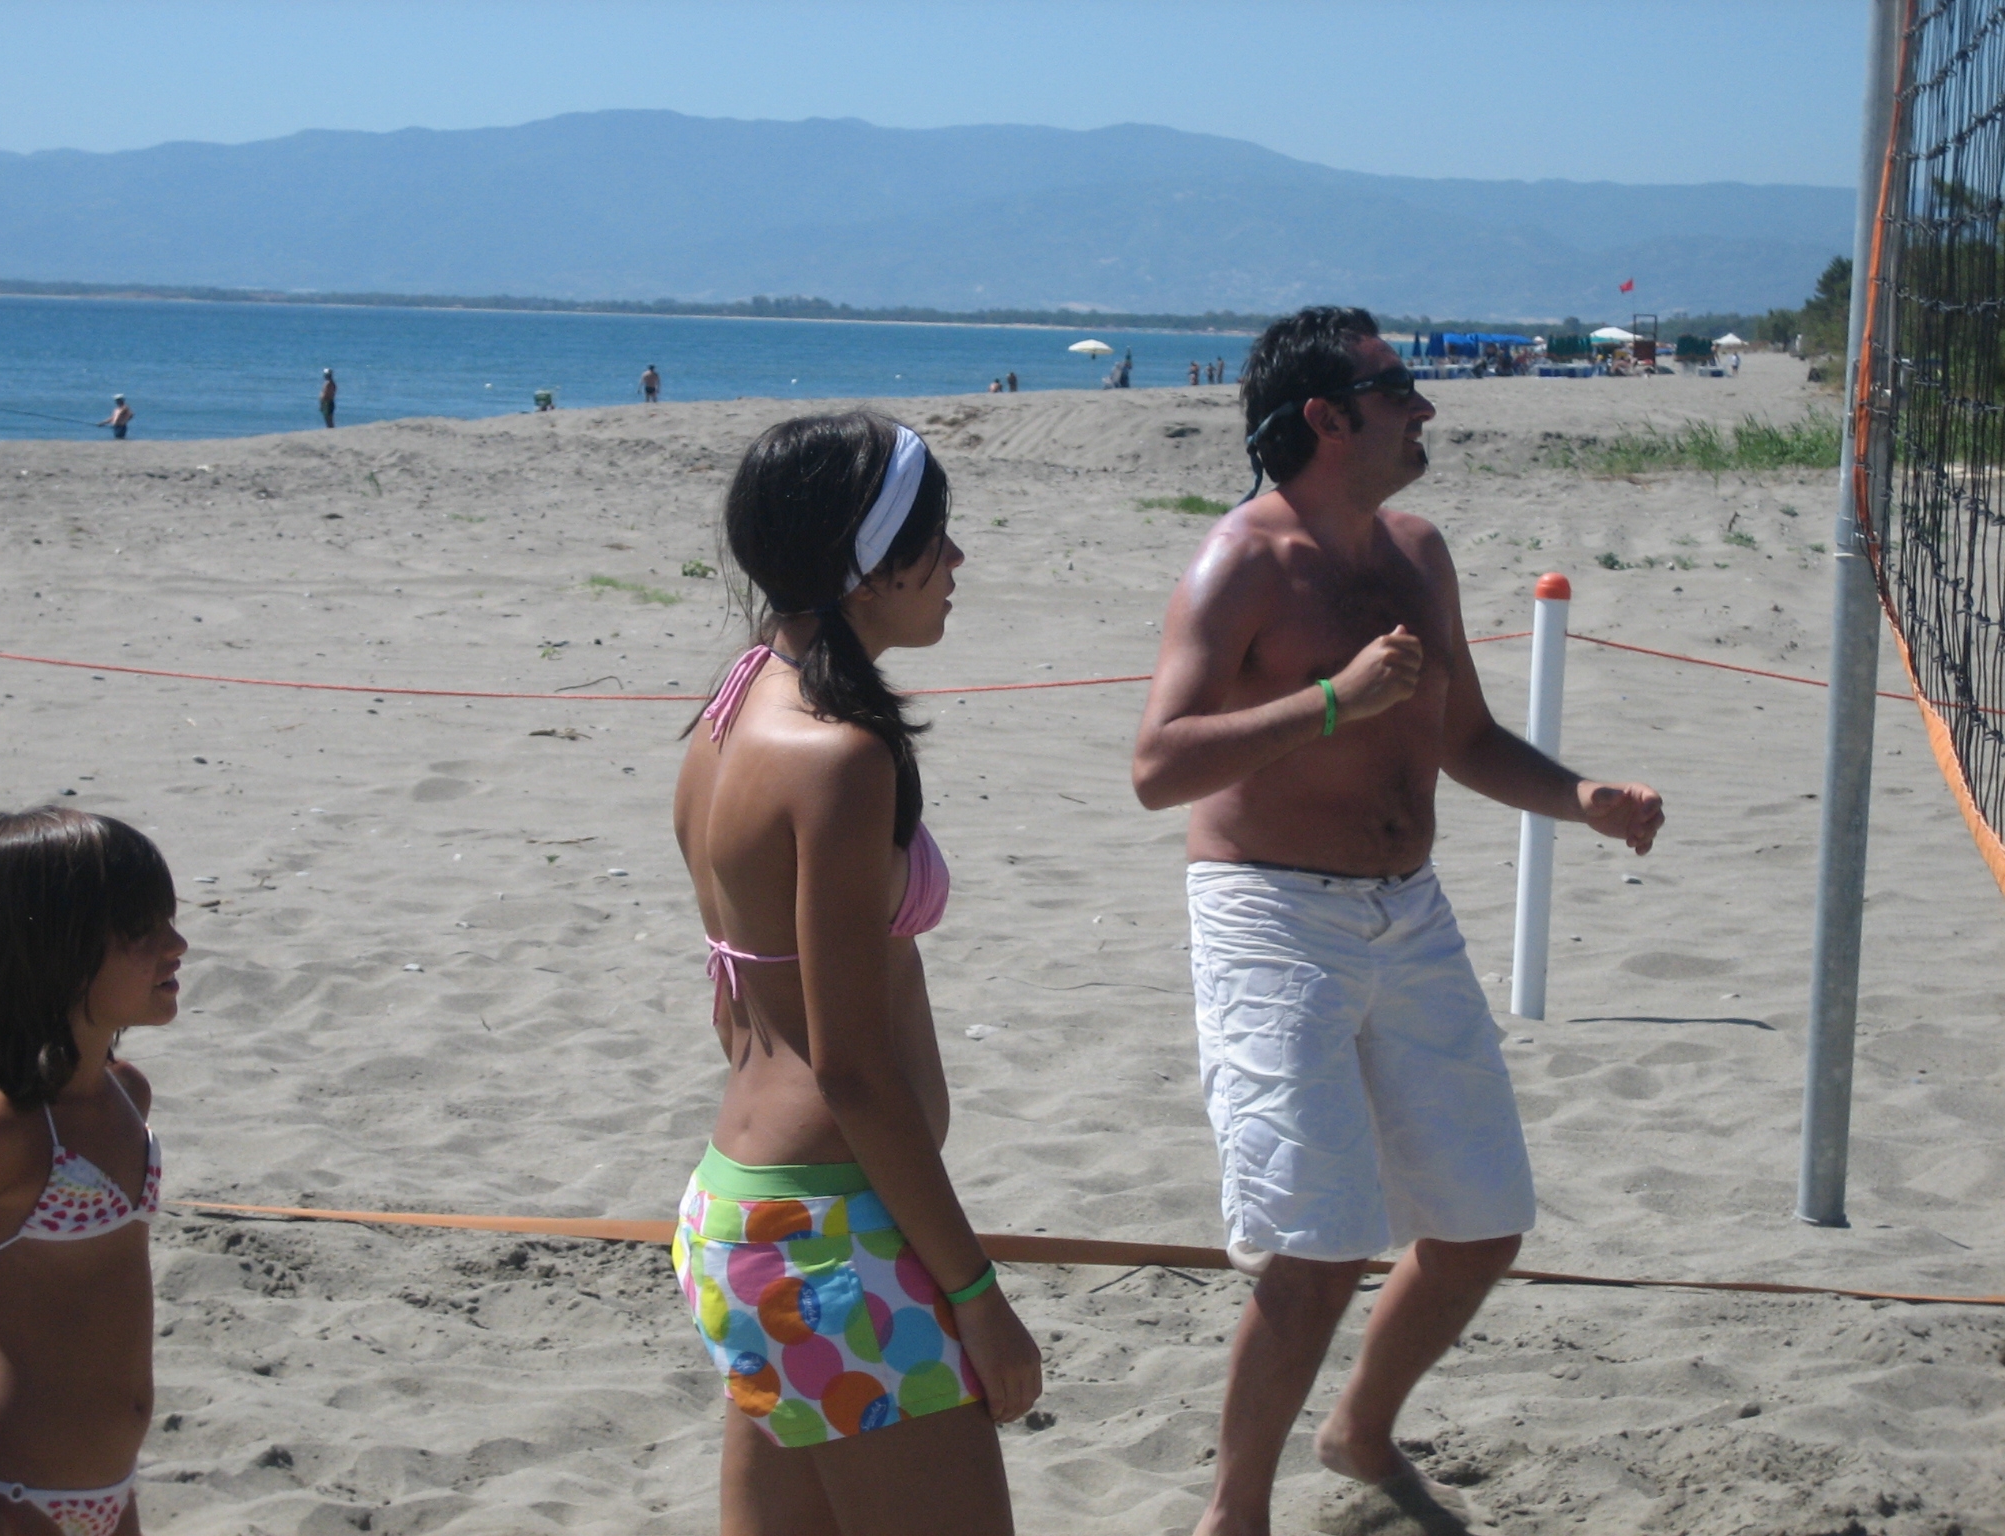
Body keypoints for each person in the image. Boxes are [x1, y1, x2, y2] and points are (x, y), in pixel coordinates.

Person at [1131, 306, 1663, 1535]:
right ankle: (1233, 1515)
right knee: (1316, 1247)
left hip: (1406, 913)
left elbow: (1465, 738)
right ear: (1325, 418)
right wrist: (1332, 700)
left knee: (1481, 1224)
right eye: (1395, 389)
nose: (1423, 407)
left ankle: (1358, 1430)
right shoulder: (1240, 564)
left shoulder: (1417, 551)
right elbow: (1158, 767)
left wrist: (1578, 798)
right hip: (1269, 917)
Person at [671, 411, 1042, 1534]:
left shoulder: (735, 704)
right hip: (830, 1239)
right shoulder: (837, 756)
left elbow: (735, 999)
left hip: (746, 1216)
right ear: (868, 564)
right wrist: (976, 1296)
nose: (956, 560)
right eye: (934, 537)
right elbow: (852, 1070)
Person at [0, 806, 187, 1536]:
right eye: (142, 930)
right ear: (53, 949)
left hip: (113, 1491)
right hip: (6, 1499)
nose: (177, 945)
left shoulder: (126, 1093)